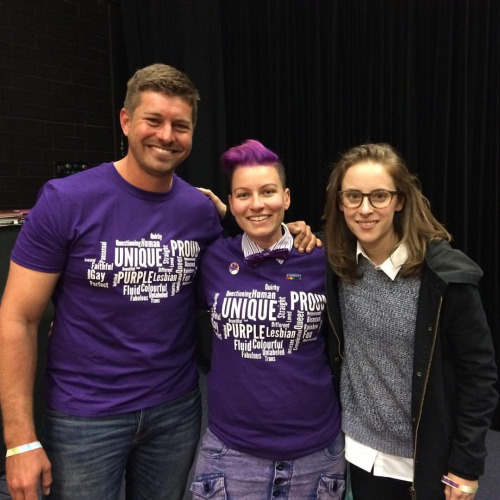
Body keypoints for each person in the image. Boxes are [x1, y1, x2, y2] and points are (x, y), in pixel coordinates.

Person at [0, 64, 317, 500]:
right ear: (126, 121)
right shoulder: (65, 200)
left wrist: (297, 232)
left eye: (180, 126)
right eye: (154, 120)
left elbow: (255, 255)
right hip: (85, 417)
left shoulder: (199, 209)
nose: (167, 135)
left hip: (176, 409)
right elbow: (17, 318)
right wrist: (20, 440)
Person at [322, 143, 498, 499]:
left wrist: (466, 465)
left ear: (399, 200)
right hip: (354, 452)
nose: (365, 209)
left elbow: (479, 376)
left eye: (379, 196)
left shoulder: (444, 278)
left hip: (422, 462)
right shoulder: (335, 263)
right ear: (340, 202)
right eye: (353, 196)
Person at [190, 140, 345, 499]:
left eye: (268, 191)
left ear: (287, 197)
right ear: (231, 203)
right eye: (243, 194)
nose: (257, 204)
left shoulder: (321, 257)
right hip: (232, 453)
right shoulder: (213, 259)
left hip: (317, 454)